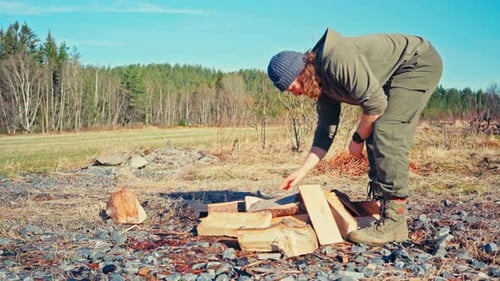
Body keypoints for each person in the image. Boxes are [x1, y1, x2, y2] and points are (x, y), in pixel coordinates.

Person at [267, 28, 442, 246]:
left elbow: (375, 105)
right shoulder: (321, 85)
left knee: (387, 130)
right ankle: (382, 204)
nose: (291, 91)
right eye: (285, 88)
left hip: (417, 63)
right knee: (374, 128)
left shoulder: (336, 61)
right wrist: (300, 172)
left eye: (290, 82)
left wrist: (356, 140)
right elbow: (325, 132)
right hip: (396, 72)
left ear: (300, 69)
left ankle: (395, 222)